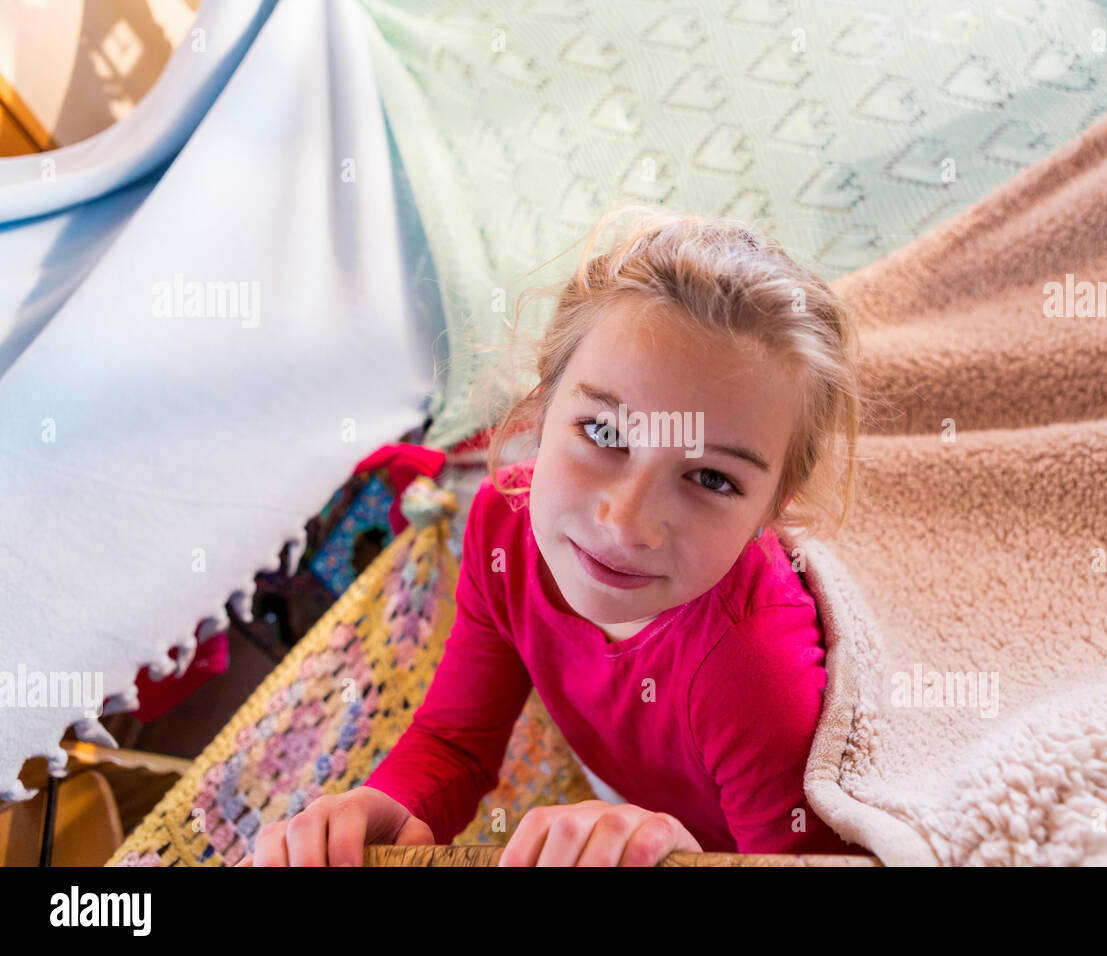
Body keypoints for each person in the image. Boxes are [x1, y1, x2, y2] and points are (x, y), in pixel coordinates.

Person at [241, 205, 873, 866]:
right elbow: (456, 739)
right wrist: (393, 807)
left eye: (711, 479)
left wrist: (694, 861)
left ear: (772, 513)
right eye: (603, 434)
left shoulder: (752, 667)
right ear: (541, 409)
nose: (625, 523)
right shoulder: (503, 527)